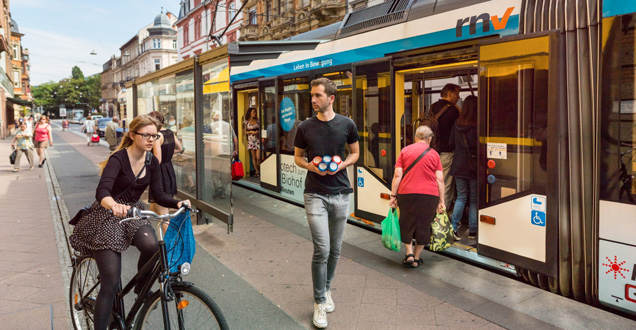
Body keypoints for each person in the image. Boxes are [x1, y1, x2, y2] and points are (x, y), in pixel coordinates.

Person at [69, 115, 190, 330]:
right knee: (110, 282)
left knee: (152, 246)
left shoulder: (152, 161)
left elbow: (159, 194)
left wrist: (178, 202)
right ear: (133, 135)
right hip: (107, 215)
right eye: (146, 135)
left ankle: (141, 289)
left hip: (132, 213)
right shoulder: (119, 159)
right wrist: (112, 204)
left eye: (154, 136)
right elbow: (102, 191)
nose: (151, 139)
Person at [294, 77, 360, 329]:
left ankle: (327, 288)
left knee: (335, 249)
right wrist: (310, 166)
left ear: (331, 98)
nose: (313, 99)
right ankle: (319, 301)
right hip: (315, 194)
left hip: (341, 193)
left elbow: (355, 153)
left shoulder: (347, 124)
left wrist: (343, 164)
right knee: (322, 249)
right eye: (312, 95)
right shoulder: (305, 127)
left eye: (317, 95)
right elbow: (298, 157)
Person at [389, 125, 445, 268]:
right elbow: (440, 180)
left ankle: (409, 253)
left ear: (415, 137)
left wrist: (393, 196)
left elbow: (397, 175)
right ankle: (417, 257)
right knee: (424, 226)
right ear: (429, 139)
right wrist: (441, 201)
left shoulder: (405, 151)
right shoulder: (434, 154)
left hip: (407, 193)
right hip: (429, 195)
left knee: (406, 223)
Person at [449, 95, 478, 240]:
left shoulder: (457, 123)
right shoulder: (478, 125)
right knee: (473, 199)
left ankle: (453, 227)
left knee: (461, 197)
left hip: (459, 165)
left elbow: (451, 143)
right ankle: (473, 230)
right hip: (473, 167)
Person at [147, 111, 183, 220]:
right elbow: (179, 149)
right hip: (169, 170)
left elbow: (157, 160)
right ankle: (162, 236)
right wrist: (168, 154)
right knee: (155, 209)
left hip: (160, 174)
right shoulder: (170, 132)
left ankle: (168, 237)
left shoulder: (157, 136)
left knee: (163, 214)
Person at [431, 83, 461, 212]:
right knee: (446, 184)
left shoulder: (433, 107)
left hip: (432, 151)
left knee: (433, 183)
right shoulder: (453, 110)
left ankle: (431, 211)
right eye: (456, 94)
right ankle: (442, 214)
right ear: (449, 94)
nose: (458, 97)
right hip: (446, 153)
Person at [206, 111, 237, 199]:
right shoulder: (228, 125)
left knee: (214, 171)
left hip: (216, 152)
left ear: (214, 117)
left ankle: (218, 188)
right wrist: (235, 150)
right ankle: (223, 191)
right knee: (225, 172)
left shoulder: (211, 126)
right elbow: (235, 139)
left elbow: (207, 139)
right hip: (227, 151)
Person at [244, 107, 261, 176]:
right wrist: (251, 131)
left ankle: (260, 169)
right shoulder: (246, 121)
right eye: (253, 112)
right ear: (250, 113)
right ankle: (257, 171)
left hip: (257, 140)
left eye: (255, 112)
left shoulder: (257, 120)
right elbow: (244, 131)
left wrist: (258, 131)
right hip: (251, 140)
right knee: (253, 157)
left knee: (258, 157)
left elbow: (261, 128)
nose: (255, 113)